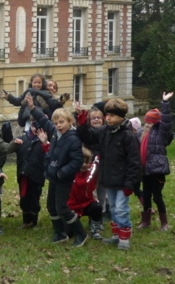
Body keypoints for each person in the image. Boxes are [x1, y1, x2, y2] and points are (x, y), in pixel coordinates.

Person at [77, 98, 140, 251]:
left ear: (121, 117)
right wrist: (82, 120)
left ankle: (125, 237)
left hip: (123, 180)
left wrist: (130, 184)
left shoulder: (128, 136)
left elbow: (135, 162)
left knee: (121, 208)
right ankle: (116, 235)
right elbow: (88, 136)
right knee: (112, 207)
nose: (108, 118)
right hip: (109, 178)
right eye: (107, 115)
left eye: (112, 116)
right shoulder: (105, 131)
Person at [8, 93, 55, 229]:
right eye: (33, 125)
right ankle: (25, 220)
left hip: (36, 175)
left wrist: (44, 142)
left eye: (39, 126)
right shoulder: (23, 138)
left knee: (34, 199)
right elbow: (9, 148)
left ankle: (33, 221)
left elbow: (49, 156)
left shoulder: (45, 141)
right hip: (23, 174)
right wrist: (13, 142)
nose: (36, 128)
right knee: (24, 198)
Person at [44, 107, 86, 247]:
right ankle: (60, 233)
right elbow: (52, 153)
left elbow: (76, 161)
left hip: (64, 178)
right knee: (51, 206)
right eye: (56, 123)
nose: (58, 126)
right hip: (53, 175)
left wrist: (62, 172)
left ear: (70, 121)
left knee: (62, 208)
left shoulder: (73, 139)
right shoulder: (56, 135)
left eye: (61, 122)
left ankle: (81, 234)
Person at [136, 92, 175, 231]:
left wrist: (165, 103)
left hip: (157, 168)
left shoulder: (160, 133)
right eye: (146, 121)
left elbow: (166, 121)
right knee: (146, 196)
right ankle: (145, 221)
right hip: (145, 169)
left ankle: (164, 223)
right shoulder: (141, 132)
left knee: (157, 196)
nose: (147, 124)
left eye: (150, 122)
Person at [67, 147, 104, 240]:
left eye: (86, 162)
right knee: (69, 234)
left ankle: (95, 229)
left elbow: (102, 155)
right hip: (72, 206)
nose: (84, 165)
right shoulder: (69, 171)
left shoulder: (92, 170)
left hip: (88, 203)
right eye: (81, 162)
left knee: (97, 206)